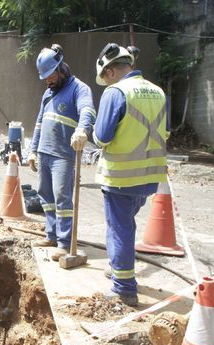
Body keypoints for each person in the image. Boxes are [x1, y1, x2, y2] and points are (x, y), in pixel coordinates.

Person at [92, 43, 169, 306]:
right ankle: (117, 269)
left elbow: (102, 135)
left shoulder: (115, 92)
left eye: (104, 78)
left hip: (121, 177)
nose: (105, 82)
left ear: (110, 71)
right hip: (149, 177)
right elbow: (164, 132)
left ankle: (124, 287)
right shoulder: (158, 92)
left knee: (120, 230)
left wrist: (90, 134)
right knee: (123, 226)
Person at [27, 44, 96, 261]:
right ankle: (51, 235)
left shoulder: (79, 89)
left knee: (62, 198)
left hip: (63, 155)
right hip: (45, 153)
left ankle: (64, 243)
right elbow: (39, 122)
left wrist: (82, 129)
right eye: (44, 77)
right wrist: (32, 150)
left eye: (50, 75)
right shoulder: (48, 93)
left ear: (61, 68)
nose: (47, 80)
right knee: (46, 196)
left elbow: (87, 110)